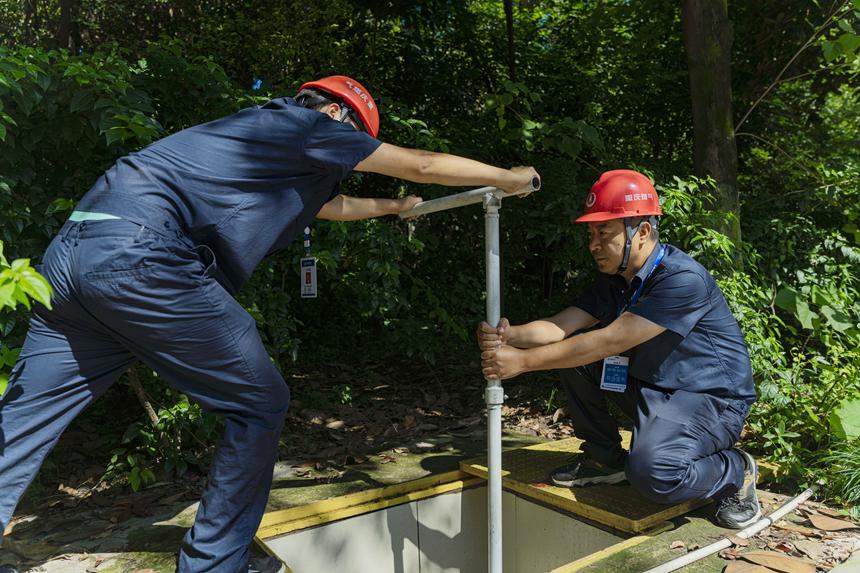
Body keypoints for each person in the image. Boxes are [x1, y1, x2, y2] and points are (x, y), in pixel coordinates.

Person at [0, 75, 539, 573]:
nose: (346, 163)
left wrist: (396, 206)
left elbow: (334, 207)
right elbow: (421, 163)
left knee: (25, 416)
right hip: (144, 259)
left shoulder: (258, 136)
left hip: (70, 260)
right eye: (352, 147)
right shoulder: (311, 126)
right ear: (335, 113)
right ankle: (217, 564)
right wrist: (509, 178)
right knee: (260, 401)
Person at [477, 169, 760, 530]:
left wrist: (521, 362)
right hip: (654, 386)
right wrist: (510, 336)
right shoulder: (615, 278)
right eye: (590, 233)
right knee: (574, 359)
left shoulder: (681, 279)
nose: (593, 243)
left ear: (641, 232)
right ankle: (603, 460)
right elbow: (561, 326)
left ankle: (734, 471)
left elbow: (609, 340)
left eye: (604, 233)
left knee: (655, 474)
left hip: (709, 398)